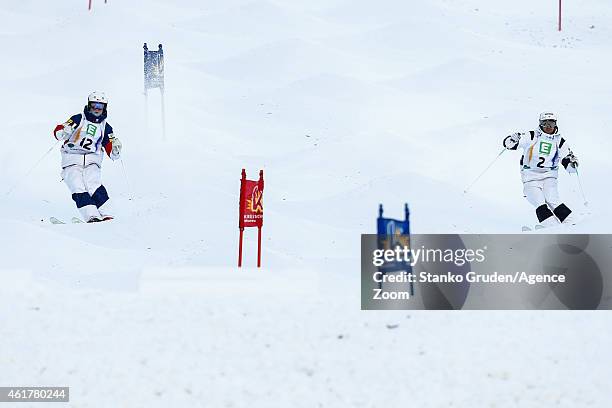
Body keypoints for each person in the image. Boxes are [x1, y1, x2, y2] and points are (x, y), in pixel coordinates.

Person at [53, 91, 122, 222]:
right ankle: (91, 215)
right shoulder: (78, 119)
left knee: (93, 185)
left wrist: (115, 149)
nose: (97, 109)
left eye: (100, 107)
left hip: (92, 161)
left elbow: (110, 149)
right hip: (72, 160)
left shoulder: (105, 127)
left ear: (104, 108)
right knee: (77, 185)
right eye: (94, 106)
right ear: (89, 105)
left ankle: (107, 214)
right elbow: (59, 132)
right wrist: (63, 131)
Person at [503, 112, 579, 227]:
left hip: (549, 177)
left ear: (555, 124)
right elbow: (510, 145)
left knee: (553, 200)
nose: (548, 126)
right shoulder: (532, 135)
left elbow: (567, 162)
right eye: (545, 123)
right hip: (530, 178)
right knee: (538, 201)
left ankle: (572, 223)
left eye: (551, 123)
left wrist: (572, 164)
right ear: (540, 124)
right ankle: (552, 226)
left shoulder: (559, 141)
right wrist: (512, 139)